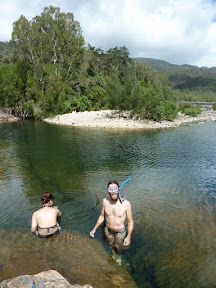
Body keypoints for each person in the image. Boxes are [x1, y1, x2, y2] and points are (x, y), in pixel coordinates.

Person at [90, 180, 134, 252]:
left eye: (115, 189)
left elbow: (130, 222)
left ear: (119, 189)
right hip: (108, 230)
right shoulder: (105, 201)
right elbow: (101, 216)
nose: (113, 192)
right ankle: (111, 254)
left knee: (117, 246)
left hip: (120, 233)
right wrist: (94, 229)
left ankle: (117, 257)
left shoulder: (126, 204)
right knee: (110, 244)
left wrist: (129, 236)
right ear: (108, 191)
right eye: (110, 189)